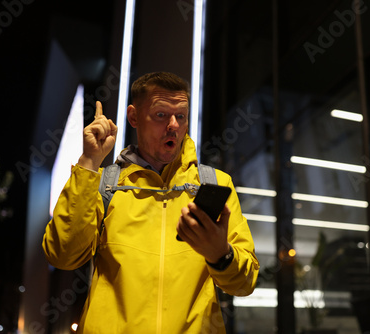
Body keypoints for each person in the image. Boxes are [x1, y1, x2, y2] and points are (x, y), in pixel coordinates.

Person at [43, 72, 260, 333]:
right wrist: (89, 162)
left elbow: (244, 284)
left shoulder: (214, 183)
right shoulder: (103, 184)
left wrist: (220, 255)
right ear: (133, 117)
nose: (173, 125)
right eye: (161, 115)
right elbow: (62, 255)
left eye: (181, 116)